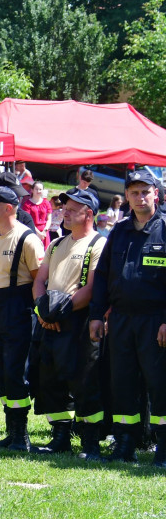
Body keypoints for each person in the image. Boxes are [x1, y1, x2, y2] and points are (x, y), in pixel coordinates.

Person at [90, 168, 166, 466]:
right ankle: (124, 442)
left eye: (145, 191)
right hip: (120, 320)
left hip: (155, 320)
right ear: (128, 197)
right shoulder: (119, 231)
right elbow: (103, 275)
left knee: (160, 383)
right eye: (134, 192)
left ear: (155, 195)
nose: (139, 197)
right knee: (122, 382)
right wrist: (97, 315)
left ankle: (163, 446)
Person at [32, 187, 105, 459]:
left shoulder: (99, 244)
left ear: (89, 214)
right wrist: (42, 311)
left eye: (72, 209)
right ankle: (59, 437)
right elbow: (40, 280)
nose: (65, 212)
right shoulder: (55, 244)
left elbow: (93, 288)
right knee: (49, 380)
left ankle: (90, 444)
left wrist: (59, 313)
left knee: (84, 381)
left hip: (78, 321)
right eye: (65, 208)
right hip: (49, 320)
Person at [0, 185, 45, 451]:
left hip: (18, 307)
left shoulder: (27, 239)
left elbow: (39, 277)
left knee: (16, 371)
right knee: (1, 372)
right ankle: (11, 431)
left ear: (8, 208)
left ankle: (21, 435)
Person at [22, 181, 52, 247]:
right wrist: (38, 233)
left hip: (44, 232)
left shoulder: (46, 203)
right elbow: (27, 220)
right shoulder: (27, 204)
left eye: (40, 189)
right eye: (36, 189)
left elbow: (49, 219)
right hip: (33, 230)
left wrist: (45, 230)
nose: (38, 191)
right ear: (32, 190)